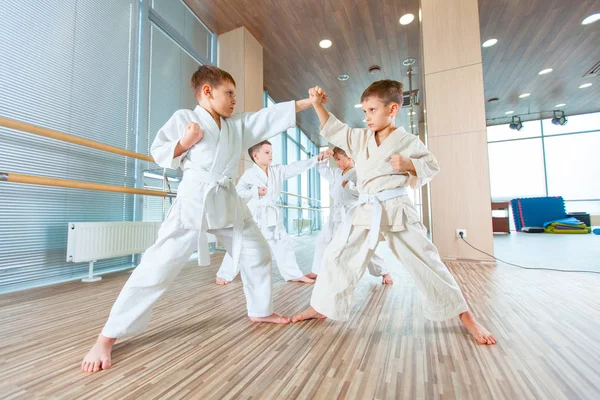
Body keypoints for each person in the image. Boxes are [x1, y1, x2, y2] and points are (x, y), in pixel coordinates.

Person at [81, 65, 316, 373]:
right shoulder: (185, 119)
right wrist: (185, 142)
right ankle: (107, 336)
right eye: (229, 93)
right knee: (158, 265)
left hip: (227, 201)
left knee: (257, 252)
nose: (234, 100)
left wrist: (308, 102)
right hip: (195, 199)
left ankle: (260, 311)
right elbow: (160, 152)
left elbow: (267, 118)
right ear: (208, 91)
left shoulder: (237, 125)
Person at [292, 81, 497, 346]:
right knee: (336, 255)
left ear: (392, 109)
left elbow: (432, 166)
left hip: (397, 209)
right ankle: (321, 307)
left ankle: (467, 317)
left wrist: (409, 163)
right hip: (367, 208)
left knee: (427, 261)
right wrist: (318, 105)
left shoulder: (408, 141)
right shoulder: (361, 138)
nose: (366, 117)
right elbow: (336, 130)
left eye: (372, 110)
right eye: (364, 111)